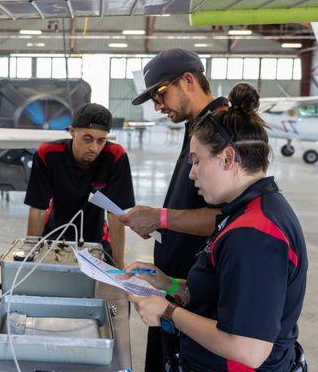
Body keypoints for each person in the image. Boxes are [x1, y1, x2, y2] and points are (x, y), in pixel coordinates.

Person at [127, 83, 308, 371]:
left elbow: (248, 348)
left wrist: (169, 311)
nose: (192, 173)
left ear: (227, 158)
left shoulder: (254, 234)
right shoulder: (245, 212)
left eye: (196, 161)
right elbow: (221, 295)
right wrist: (168, 284)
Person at [115, 48, 228, 370]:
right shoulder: (197, 125)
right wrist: (161, 222)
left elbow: (228, 218)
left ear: (188, 81)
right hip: (174, 285)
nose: (157, 106)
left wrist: (161, 217)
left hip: (199, 296)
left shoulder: (220, 128)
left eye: (160, 94)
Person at [24, 103, 135, 268]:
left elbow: (115, 214)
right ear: (72, 132)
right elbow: (38, 209)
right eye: (87, 139)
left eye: (101, 140)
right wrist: (30, 254)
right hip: (54, 234)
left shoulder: (115, 156)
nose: (94, 148)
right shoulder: (48, 154)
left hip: (96, 238)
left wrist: (119, 265)